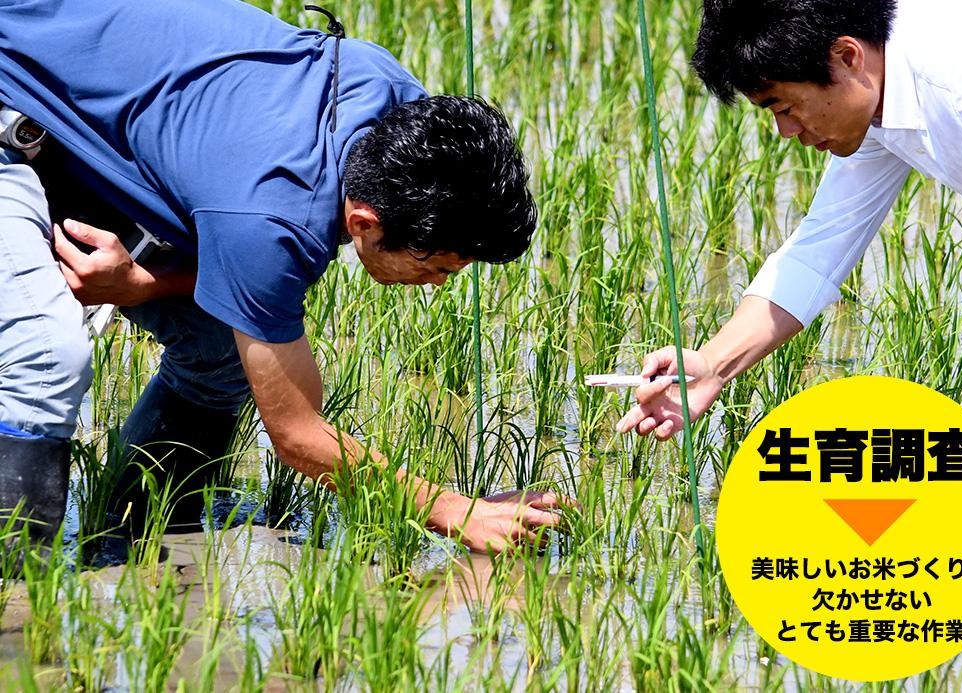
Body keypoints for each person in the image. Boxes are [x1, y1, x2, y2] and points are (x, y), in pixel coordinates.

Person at [0, 0, 565, 554]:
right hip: (14, 94)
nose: (439, 283)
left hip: (72, 100)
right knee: (47, 355)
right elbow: (298, 435)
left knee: (221, 345)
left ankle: (128, 533)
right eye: (435, 265)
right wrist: (456, 512)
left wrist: (146, 283)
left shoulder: (394, 103)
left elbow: (243, 254)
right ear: (364, 223)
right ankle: (20, 594)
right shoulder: (275, 215)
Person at [618, 0, 962, 517]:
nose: (786, 131)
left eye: (784, 107)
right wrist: (712, 365)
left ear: (847, 57)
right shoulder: (876, 102)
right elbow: (819, 251)